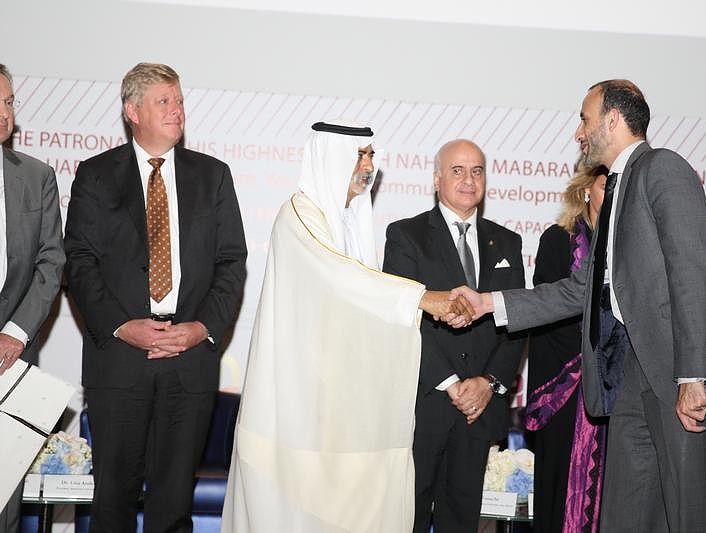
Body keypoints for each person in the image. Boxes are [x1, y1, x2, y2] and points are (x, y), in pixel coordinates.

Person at [452, 79, 706, 533]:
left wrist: (692, 377)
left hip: (681, 373)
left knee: (688, 515)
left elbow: (692, 275)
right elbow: (580, 289)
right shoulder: (616, 190)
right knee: (623, 516)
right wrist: (489, 302)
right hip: (632, 373)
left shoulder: (663, 168)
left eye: (584, 120)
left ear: (612, 120)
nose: (578, 133)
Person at [221, 121, 472, 533]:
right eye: (359, 156)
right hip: (301, 403)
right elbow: (342, 278)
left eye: (371, 155)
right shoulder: (300, 214)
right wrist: (423, 298)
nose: (369, 165)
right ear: (331, 158)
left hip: (342, 399)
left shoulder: (353, 220)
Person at [64, 63, 248, 533]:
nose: (176, 110)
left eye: (179, 100)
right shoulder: (96, 174)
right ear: (133, 111)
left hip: (189, 361)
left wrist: (201, 329)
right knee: (112, 505)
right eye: (164, 101)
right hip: (120, 359)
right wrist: (122, 326)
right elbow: (79, 261)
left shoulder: (213, 176)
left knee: (173, 506)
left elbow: (231, 262)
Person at [382, 139, 527, 533]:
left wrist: (487, 383)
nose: (469, 180)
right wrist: (451, 384)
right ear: (437, 180)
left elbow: (517, 322)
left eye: (477, 171)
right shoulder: (405, 235)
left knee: (463, 522)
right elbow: (403, 316)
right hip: (424, 405)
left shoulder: (508, 242)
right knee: (406, 518)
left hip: (480, 410)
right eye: (458, 171)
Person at [0, 64, 65, 533]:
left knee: (4, 498)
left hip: (12, 356)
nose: (5, 113)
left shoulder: (37, 176)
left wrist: (15, 333)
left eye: (8, 102)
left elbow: (51, 261)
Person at [526, 162, 607, 533]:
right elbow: (549, 312)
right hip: (566, 389)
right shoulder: (557, 240)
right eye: (606, 187)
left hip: (619, 396)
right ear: (586, 189)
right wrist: (599, 354)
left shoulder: (635, 243)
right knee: (559, 494)